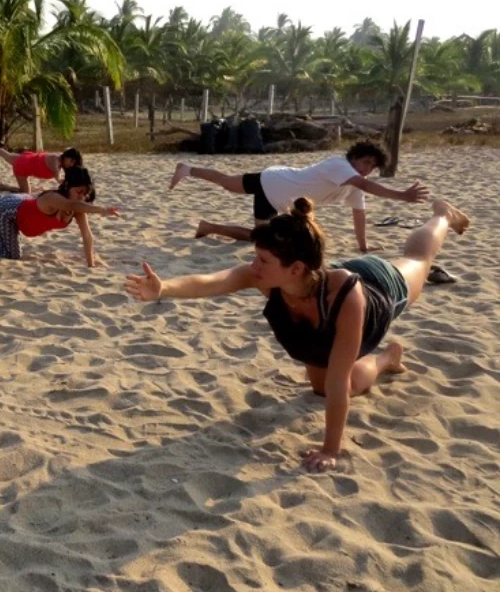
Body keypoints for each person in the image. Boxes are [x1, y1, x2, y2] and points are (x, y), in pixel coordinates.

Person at [124, 197, 470, 472]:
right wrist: (164, 288)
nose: (253, 266)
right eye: (255, 259)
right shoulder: (270, 277)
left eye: (262, 260)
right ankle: (388, 359)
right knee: (320, 389)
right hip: (320, 303)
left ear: (296, 268)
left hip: (380, 289)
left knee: (417, 259)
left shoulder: (346, 298)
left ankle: (442, 216)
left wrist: (330, 449)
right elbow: (216, 281)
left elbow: (338, 383)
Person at [168, 142, 429, 252]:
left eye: (372, 166)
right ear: (354, 157)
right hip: (273, 186)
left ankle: (205, 220)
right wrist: (403, 196)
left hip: (276, 179)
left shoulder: (355, 184)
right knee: (254, 231)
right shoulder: (341, 166)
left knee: (231, 191)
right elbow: (366, 184)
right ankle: (188, 172)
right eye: (365, 161)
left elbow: (358, 214)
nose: (367, 168)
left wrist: (363, 246)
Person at [0, 168, 120, 266]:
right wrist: (102, 210)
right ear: (67, 186)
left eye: (85, 194)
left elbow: (87, 234)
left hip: (26, 203)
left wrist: (90, 263)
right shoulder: (55, 198)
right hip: (11, 211)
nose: (81, 197)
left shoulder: (78, 206)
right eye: (78, 192)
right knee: (11, 254)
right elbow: (71, 205)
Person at [0, 144, 84, 193]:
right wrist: (61, 180)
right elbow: (56, 175)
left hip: (26, 159)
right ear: (66, 157)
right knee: (25, 192)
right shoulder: (56, 159)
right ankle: (4, 187)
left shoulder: (60, 163)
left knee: (6, 155)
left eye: (73, 163)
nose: (71, 164)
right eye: (71, 161)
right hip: (23, 167)